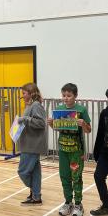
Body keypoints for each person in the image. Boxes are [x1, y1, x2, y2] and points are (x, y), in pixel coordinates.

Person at [48, 83, 91, 216]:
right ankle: (68, 202)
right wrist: (51, 124)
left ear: (75, 96)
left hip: (76, 152)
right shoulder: (59, 109)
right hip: (62, 150)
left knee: (76, 177)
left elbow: (88, 130)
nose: (66, 98)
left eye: (69, 95)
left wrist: (83, 124)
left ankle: (78, 204)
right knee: (64, 177)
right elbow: (58, 128)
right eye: (64, 95)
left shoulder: (81, 110)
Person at [17, 83, 47, 206]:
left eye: (24, 93)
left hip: (32, 145)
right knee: (34, 172)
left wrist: (25, 119)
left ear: (31, 93)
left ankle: (35, 191)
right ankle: (36, 196)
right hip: (29, 144)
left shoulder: (36, 105)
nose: (22, 96)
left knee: (23, 171)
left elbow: (41, 123)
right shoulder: (31, 105)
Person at [90, 89, 108, 216]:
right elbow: (100, 134)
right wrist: (96, 152)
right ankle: (106, 205)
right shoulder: (104, 113)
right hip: (105, 153)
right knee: (98, 176)